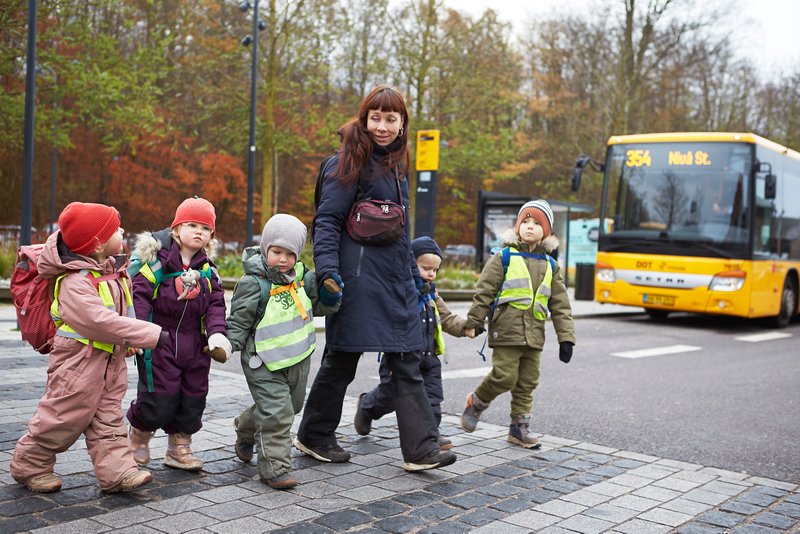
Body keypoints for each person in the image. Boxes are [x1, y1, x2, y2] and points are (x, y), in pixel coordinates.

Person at [294, 84, 456, 472]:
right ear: (365, 118)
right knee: (343, 358)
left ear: (402, 124)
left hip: (395, 279)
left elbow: (398, 229)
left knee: (406, 359)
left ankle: (421, 449)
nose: (382, 126)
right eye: (376, 118)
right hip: (357, 279)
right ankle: (314, 435)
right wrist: (329, 273)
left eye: (391, 119)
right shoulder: (345, 162)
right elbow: (328, 221)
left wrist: (412, 276)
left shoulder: (397, 164)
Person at [11, 202, 167, 493]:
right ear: (97, 245)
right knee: (62, 417)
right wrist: (150, 334)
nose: (122, 231)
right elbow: (98, 321)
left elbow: (121, 312)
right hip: (77, 364)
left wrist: (130, 341)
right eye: (115, 229)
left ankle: (118, 473)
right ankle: (30, 465)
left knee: (108, 418)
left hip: (109, 361)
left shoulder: (111, 272)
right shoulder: (74, 282)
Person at [227, 214, 339, 490]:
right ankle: (274, 468)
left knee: (290, 407)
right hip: (262, 361)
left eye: (290, 253)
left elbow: (319, 309)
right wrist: (228, 343)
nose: (283, 259)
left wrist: (331, 296)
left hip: (297, 359)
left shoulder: (304, 279)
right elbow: (240, 319)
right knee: (278, 414)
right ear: (265, 248)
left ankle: (245, 427)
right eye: (277, 252)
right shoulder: (254, 283)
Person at [126, 197, 230, 471]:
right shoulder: (158, 263)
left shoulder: (207, 269)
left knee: (194, 396)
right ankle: (138, 436)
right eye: (192, 225)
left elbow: (217, 304)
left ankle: (179, 446)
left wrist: (217, 334)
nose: (199, 231)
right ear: (175, 230)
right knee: (159, 396)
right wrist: (139, 333)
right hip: (159, 342)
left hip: (195, 346)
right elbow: (139, 297)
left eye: (205, 228)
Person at [461, 199, 576, 448]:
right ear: (518, 226)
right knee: (504, 376)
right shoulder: (504, 257)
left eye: (537, 223)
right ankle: (477, 402)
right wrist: (475, 320)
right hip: (507, 330)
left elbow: (561, 305)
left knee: (527, 382)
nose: (530, 226)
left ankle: (518, 428)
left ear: (547, 231)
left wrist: (566, 338)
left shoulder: (551, 265)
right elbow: (484, 291)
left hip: (534, 334)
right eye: (526, 221)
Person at [354, 236, 474, 450]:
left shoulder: (431, 293)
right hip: (399, 358)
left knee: (433, 397)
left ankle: (431, 435)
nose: (431, 273)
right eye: (426, 267)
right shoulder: (400, 290)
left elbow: (446, 318)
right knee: (390, 396)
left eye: (435, 270)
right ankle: (366, 406)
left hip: (428, 358)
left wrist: (465, 327)